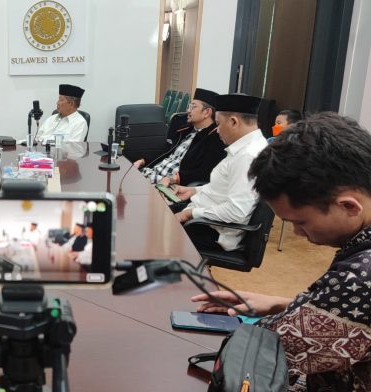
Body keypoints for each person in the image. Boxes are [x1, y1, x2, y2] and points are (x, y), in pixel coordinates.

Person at [192, 112, 371, 391]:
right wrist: (282, 302)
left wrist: (277, 316)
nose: (299, 234)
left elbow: (264, 352)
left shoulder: (360, 277)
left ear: (349, 206)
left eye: (300, 222)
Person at [171, 94, 268, 251]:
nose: (216, 131)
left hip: (212, 230)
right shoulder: (249, 146)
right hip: (203, 217)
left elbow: (237, 211)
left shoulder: (247, 156)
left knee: (148, 229)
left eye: (218, 124)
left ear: (233, 122)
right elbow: (225, 187)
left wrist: (190, 214)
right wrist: (194, 190)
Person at [135, 88, 226, 185]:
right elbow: (165, 152)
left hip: (167, 185)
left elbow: (204, 173)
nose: (188, 110)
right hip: (150, 174)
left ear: (207, 112)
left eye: (193, 107)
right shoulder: (185, 131)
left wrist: (174, 179)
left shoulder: (215, 139)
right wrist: (143, 160)